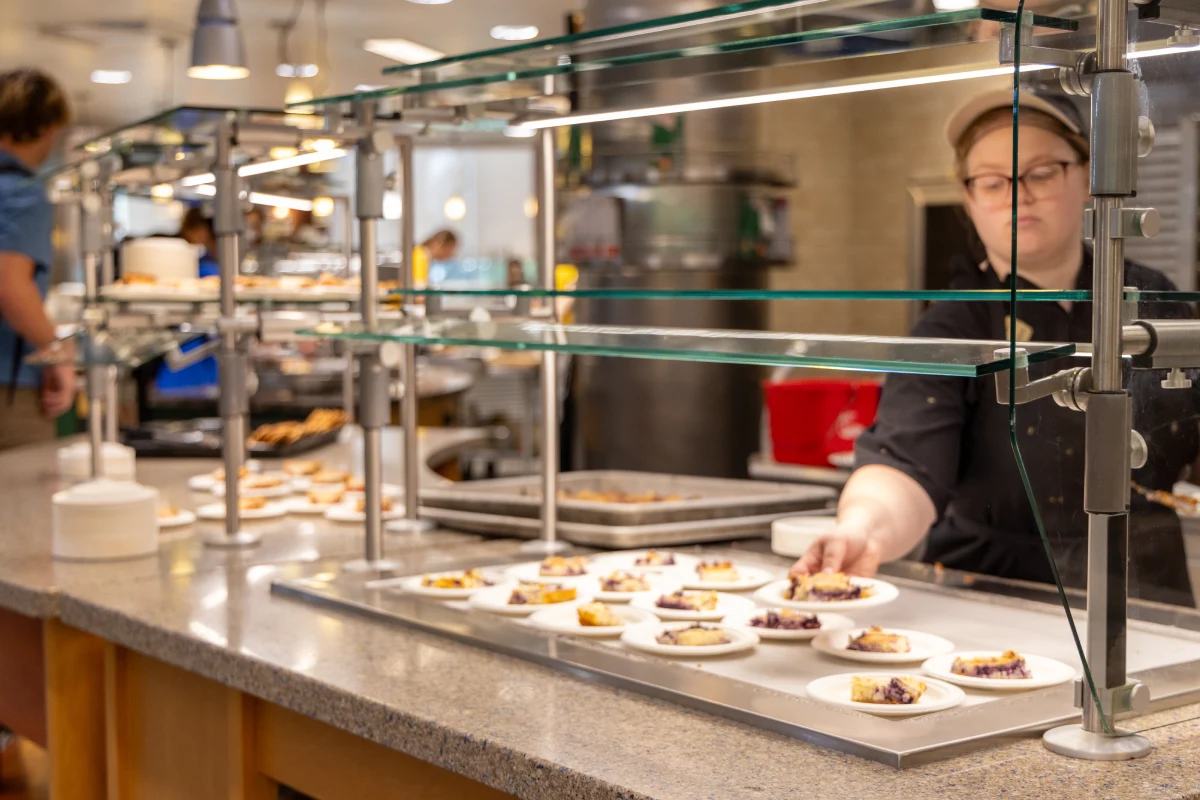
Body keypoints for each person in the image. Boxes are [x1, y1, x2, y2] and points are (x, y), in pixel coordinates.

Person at [790, 89, 1198, 607]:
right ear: (968, 198)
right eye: (991, 181)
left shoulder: (1155, 301)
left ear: (1088, 177)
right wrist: (861, 529)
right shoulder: (951, 324)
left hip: (1145, 592)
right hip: (993, 593)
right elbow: (906, 464)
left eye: (1042, 172)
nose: (1017, 194)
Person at [0, 69, 75, 450]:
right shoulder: (23, 193)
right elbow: (10, 285)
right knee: (21, 499)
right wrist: (57, 353)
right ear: (44, 127)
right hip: (7, 388)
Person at [178, 206, 219, 277]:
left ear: (203, 228)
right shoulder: (207, 256)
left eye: (191, 231)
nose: (189, 237)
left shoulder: (222, 250)